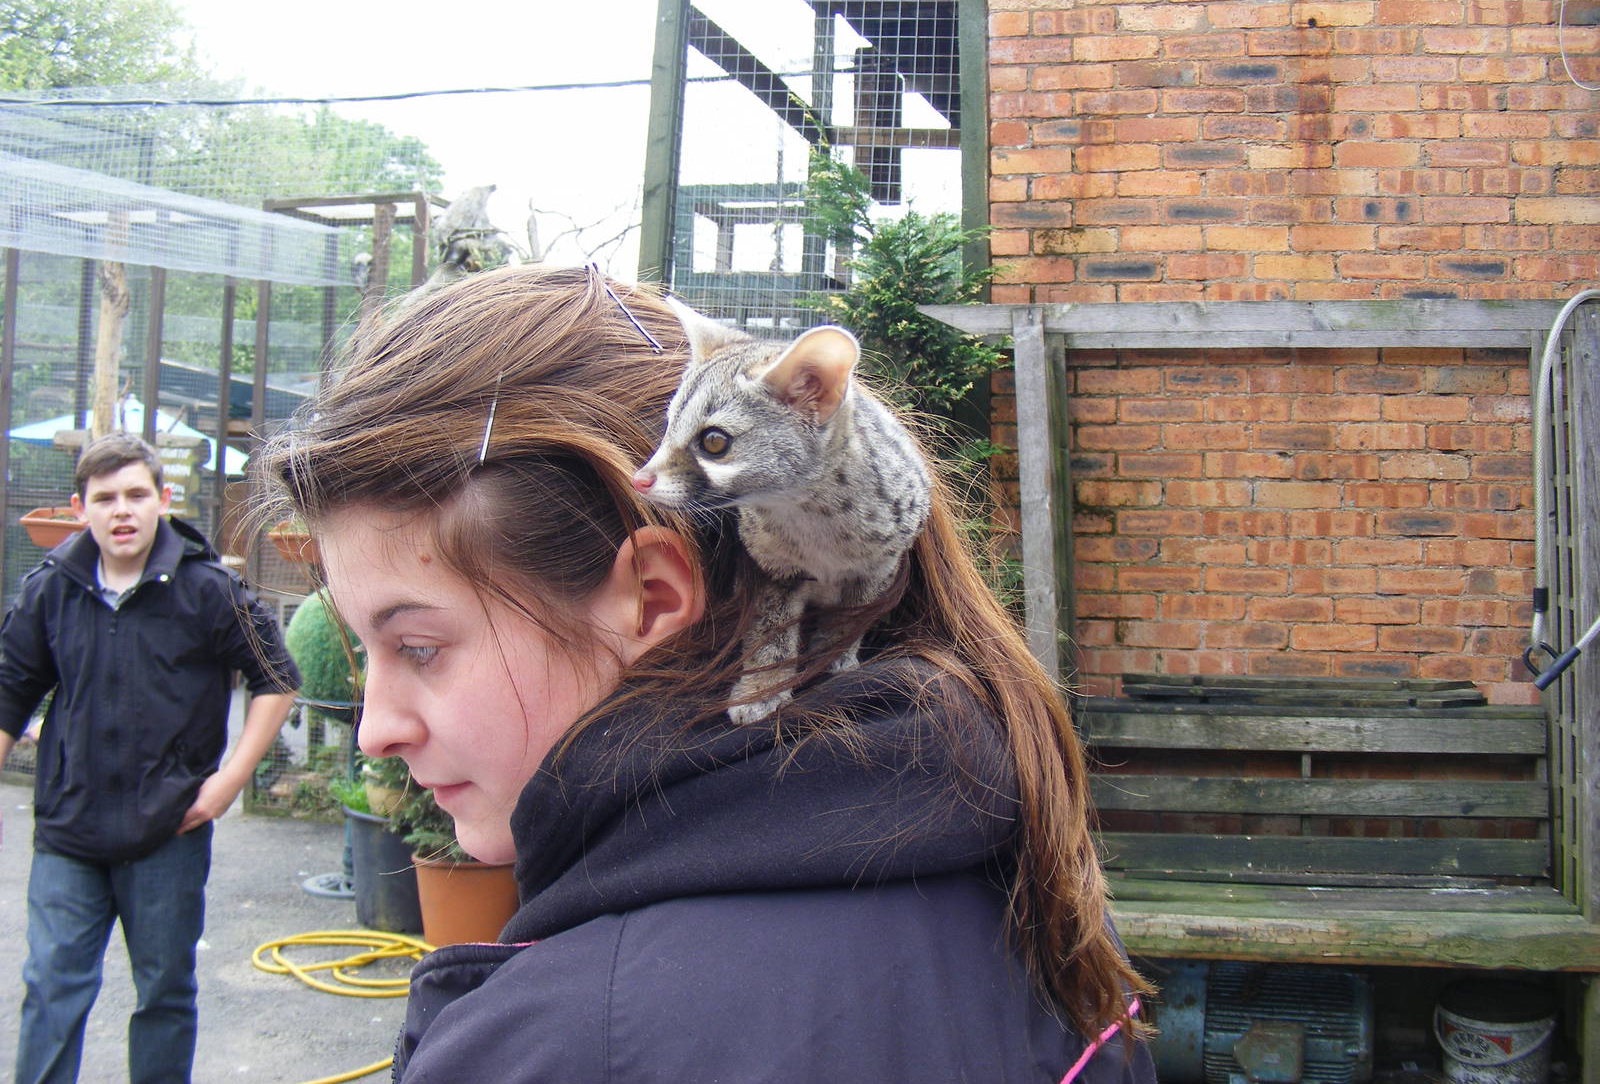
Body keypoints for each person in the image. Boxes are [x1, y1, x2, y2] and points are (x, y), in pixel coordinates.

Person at [256, 265, 1156, 1083]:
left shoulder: (556, 1048)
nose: (375, 727)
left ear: (650, 598)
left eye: (418, 648)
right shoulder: (1047, 898)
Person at [0, 432, 300, 1084]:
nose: (122, 510)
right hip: (69, 831)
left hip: (169, 829)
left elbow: (277, 677)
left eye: (136, 494)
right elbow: (9, 693)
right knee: (52, 988)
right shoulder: (50, 591)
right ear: (80, 508)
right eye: (104, 498)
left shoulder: (207, 589)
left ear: (163, 499)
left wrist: (228, 783)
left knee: (165, 994)